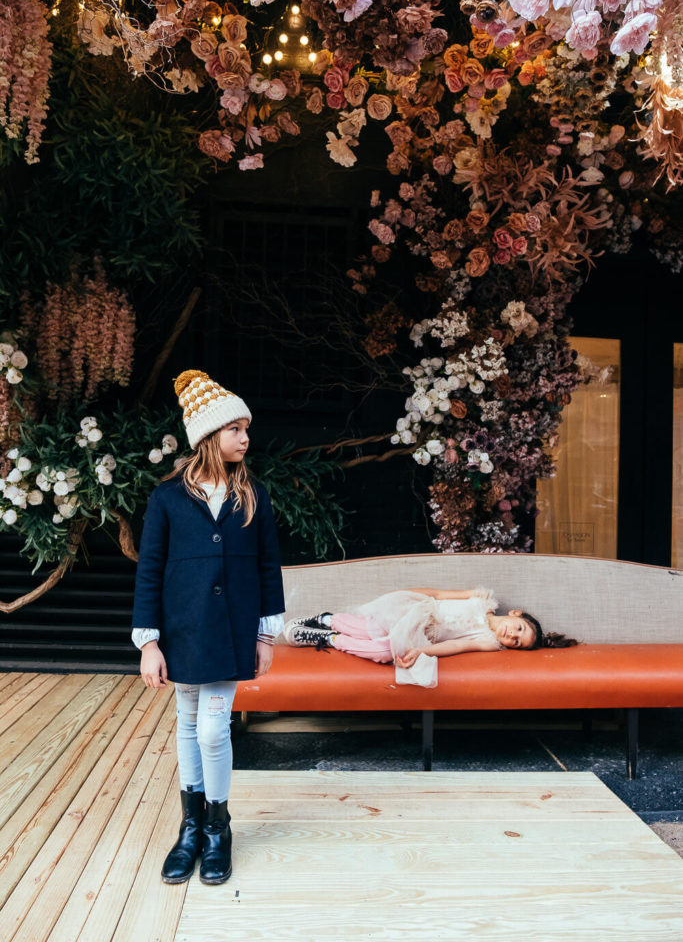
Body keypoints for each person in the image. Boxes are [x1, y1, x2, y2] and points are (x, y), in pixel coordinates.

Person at [131, 369, 285, 887]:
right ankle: (190, 827)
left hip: (234, 630)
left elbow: (268, 567)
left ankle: (219, 828)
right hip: (183, 632)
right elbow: (150, 570)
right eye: (235, 429)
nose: (246, 438)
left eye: (247, 429)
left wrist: (265, 635)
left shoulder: (254, 496)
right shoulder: (168, 499)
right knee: (188, 724)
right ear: (207, 438)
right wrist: (149, 641)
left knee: (215, 730)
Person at [284, 586, 577, 668]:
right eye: (519, 630)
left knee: (387, 649)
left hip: (423, 634)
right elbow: (436, 595)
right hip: (415, 608)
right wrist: (405, 593)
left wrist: (421, 652)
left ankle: (330, 638)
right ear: (516, 614)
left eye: (516, 643)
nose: (511, 636)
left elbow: (456, 645)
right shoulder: (480, 599)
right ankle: (326, 620)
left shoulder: (487, 640)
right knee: (372, 626)